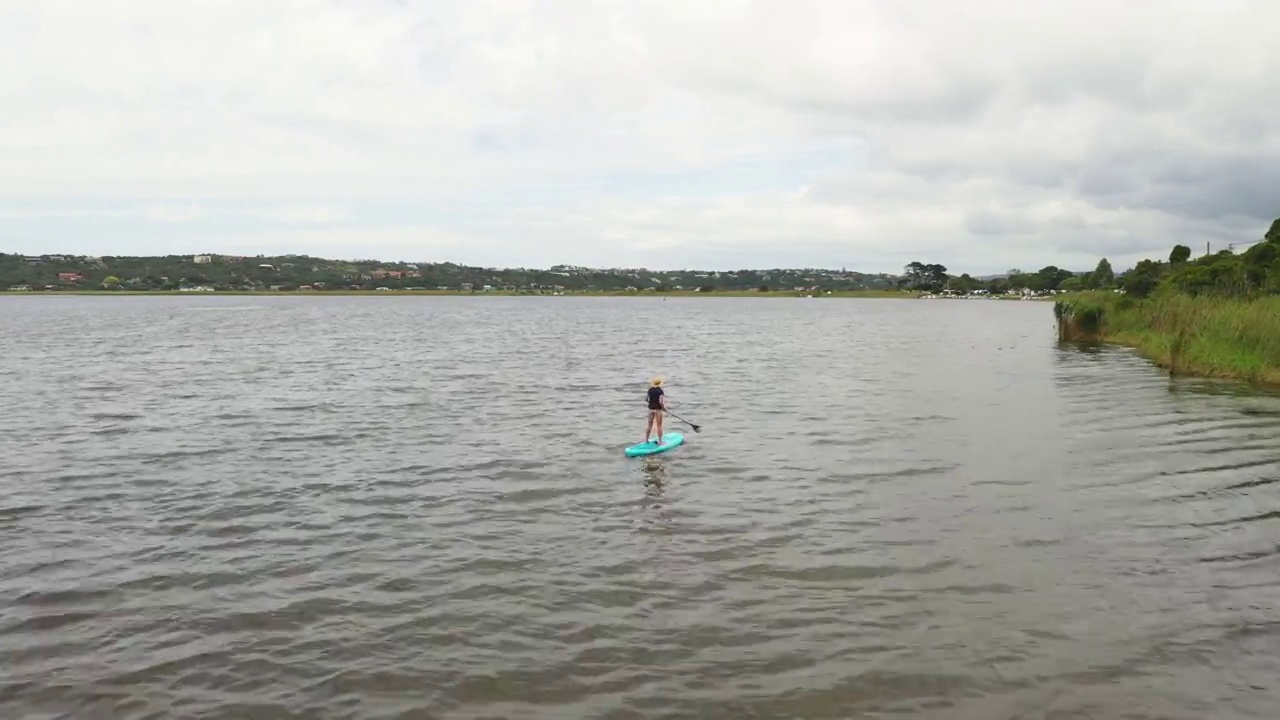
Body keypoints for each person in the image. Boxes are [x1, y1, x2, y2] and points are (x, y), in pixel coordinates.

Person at [644, 377, 666, 444]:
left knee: (649, 425)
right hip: (657, 410)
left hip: (650, 409)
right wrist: (663, 408)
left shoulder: (650, 390)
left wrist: (651, 402)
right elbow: (660, 402)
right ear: (660, 384)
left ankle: (646, 440)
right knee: (659, 425)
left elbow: (646, 399)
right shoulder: (660, 391)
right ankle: (660, 441)